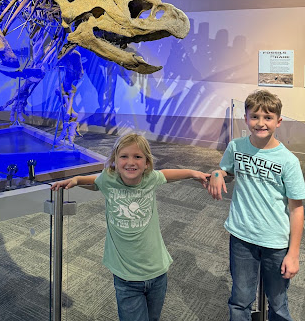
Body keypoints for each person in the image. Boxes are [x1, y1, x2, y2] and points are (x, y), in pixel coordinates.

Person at [51, 132, 210, 321]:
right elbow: (95, 180)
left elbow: (167, 174)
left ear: (147, 164)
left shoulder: (150, 179)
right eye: (124, 156)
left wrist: (193, 173)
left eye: (137, 157)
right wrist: (77, 180)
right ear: (114, 162)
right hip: (126, 278)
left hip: (157, 273)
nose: (131, 162)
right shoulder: (108, 180)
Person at [207, 89, 305, 321]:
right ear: (246, 118)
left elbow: (297, 208)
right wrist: (217, 172)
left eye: (268, 117)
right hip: (242, 237)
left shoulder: (288, 161)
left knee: (278, 304)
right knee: (240, 301)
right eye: (255, 117)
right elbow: (226, 169)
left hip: (276, 242)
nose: (261, 123)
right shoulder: (236, 146)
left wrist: (293, 253)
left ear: (278, 121)